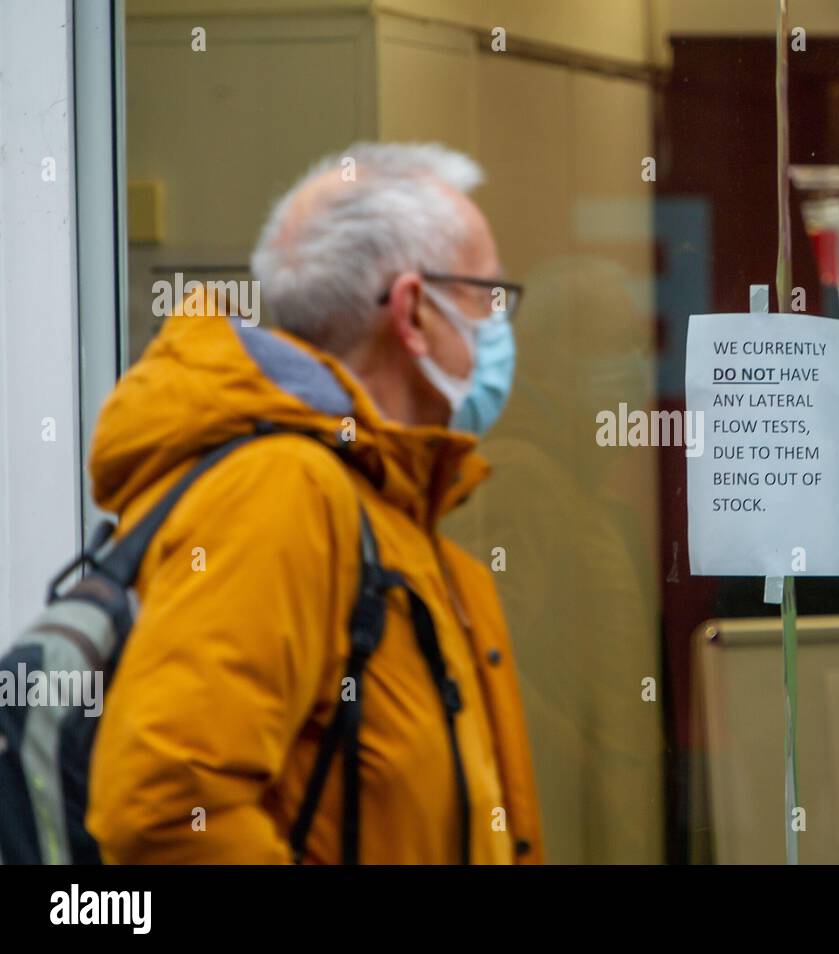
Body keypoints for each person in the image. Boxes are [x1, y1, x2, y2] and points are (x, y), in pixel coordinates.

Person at [85, 142, 542, 864]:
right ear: (413, 311)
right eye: (488, 296)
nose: (498, 326)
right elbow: (166, 806)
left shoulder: (388, 510)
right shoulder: (282, 492)